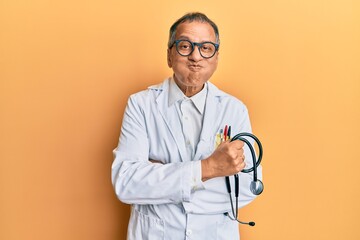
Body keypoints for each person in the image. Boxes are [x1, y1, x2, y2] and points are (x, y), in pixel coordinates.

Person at [111, 12, 262, 240]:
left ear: (216, 57)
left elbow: (247, 188)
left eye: (206, 48)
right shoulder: (141, 105)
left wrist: (163, 179)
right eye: (184, 46)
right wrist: (210, 168)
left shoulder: (234, 109)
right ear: (170, 55)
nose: (195, 56)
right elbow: (127, 183)